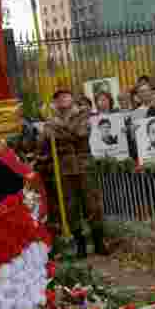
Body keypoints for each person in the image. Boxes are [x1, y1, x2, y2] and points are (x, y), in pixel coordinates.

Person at [37, 89, 108, 258]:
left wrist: (57, 129)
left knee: (92, 204)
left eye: (65, 96)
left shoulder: (82, 114)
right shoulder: (49, 122)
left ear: (72, 98)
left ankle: (99, 242)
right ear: (55, 103)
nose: (62, 99)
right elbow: (43, 143)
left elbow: (81, 133)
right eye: (58, 98)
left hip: (84, 166)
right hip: (64, 169)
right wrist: (51, 129)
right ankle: (80, 244)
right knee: (70, 207)